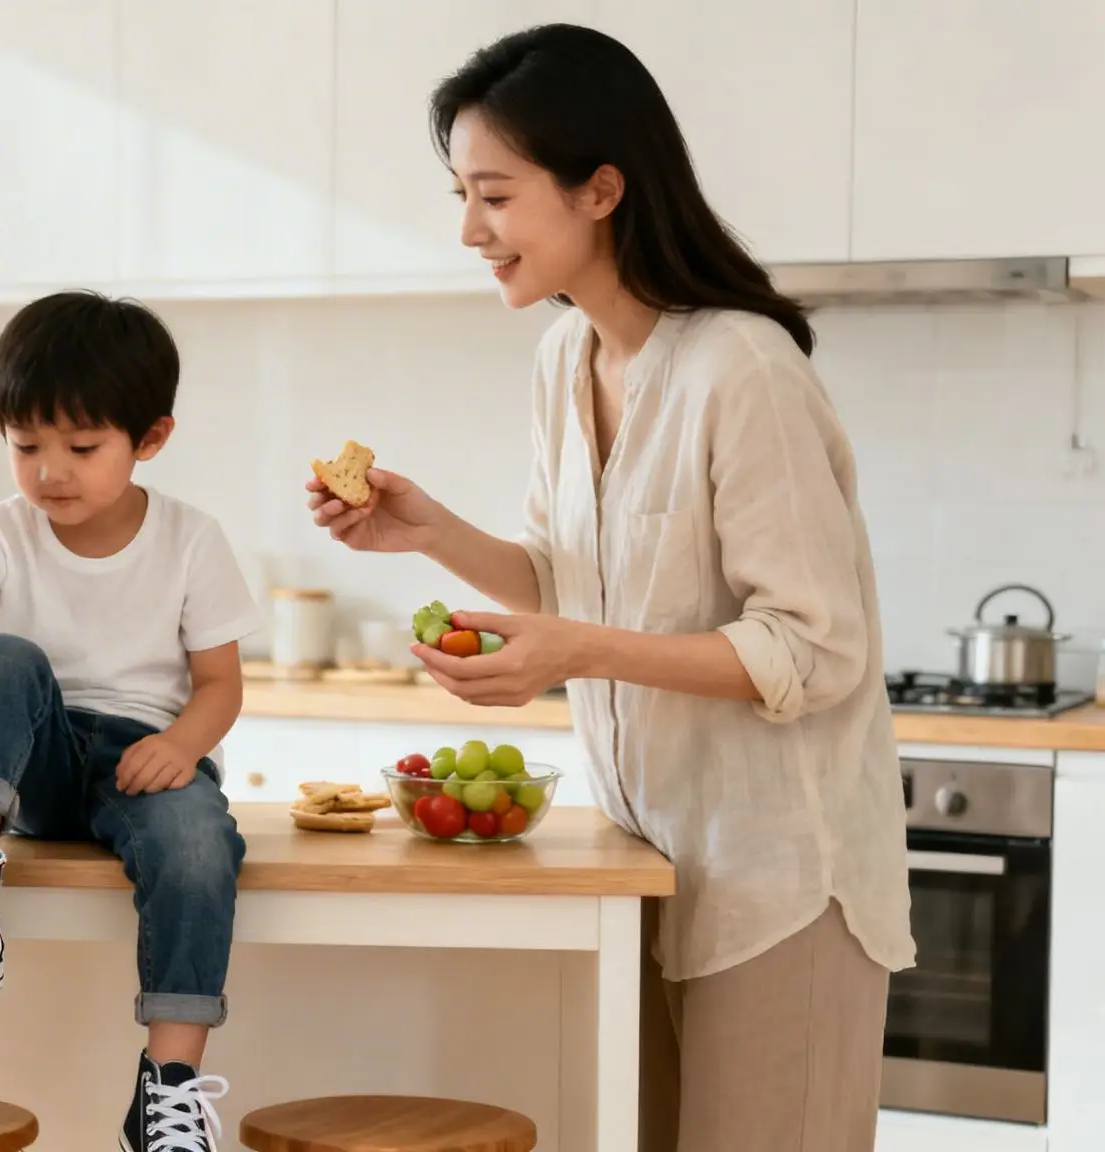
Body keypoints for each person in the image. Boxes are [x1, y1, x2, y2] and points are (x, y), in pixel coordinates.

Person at [307, 24, 913, 1152]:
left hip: (782, 881)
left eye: (494, 195)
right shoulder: (564, 360)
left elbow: (812, 648)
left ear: (600, 189)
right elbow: (564, 579)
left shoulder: (742, 367)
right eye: (461, 195)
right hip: (647, 863)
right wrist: (428, 531)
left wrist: (579, 653)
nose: (469, 229)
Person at [0, 290, 260, 1152]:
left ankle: (169, 1091)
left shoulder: (192, 539)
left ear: (149, 439)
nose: (50, 471)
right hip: (35, 755)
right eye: (26, 446)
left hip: (146, 761)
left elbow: (220, 686)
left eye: (81, 448)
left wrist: (182, 745)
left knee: (199, 850)